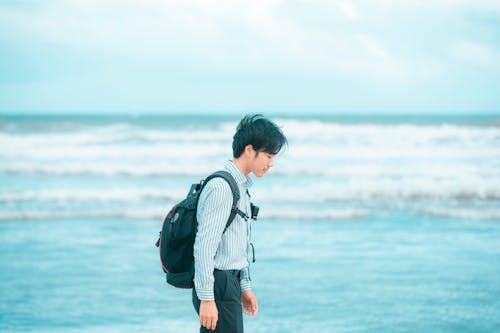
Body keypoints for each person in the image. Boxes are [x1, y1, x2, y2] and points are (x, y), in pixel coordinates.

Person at [192, 114, 287, 333]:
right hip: (218, 286)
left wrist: (244, 286)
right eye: (269, 156)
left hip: (228, 284)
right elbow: (204, 246)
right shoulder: (223, 188)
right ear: (249, 150)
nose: (271, 164)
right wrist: (207, 298)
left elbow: (235, 243)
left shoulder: (241, 188)